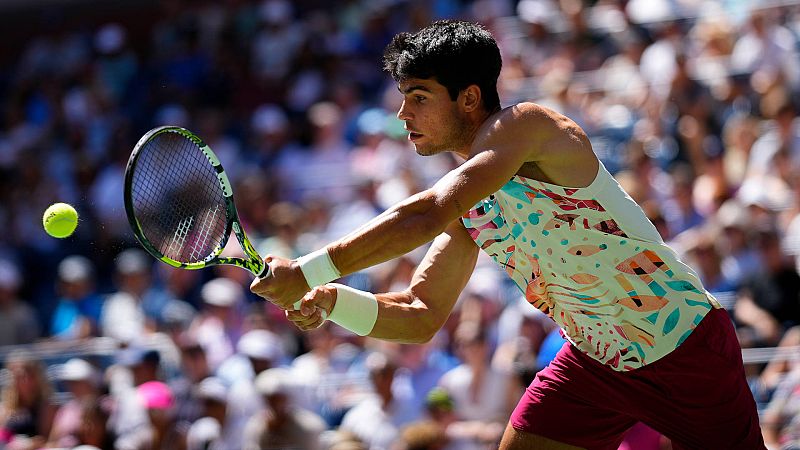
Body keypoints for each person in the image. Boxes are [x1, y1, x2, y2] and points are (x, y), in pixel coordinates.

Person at [251, 20, 765, 448]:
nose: (403, 114)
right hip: (595, 362)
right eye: (403, 97)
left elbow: (426, 212)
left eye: (419, 96)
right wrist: (329, 300)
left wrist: (307, 268)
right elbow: (420, 316)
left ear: (470, 97)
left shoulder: (529, 125)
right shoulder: (469, 205)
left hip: (685, 349)